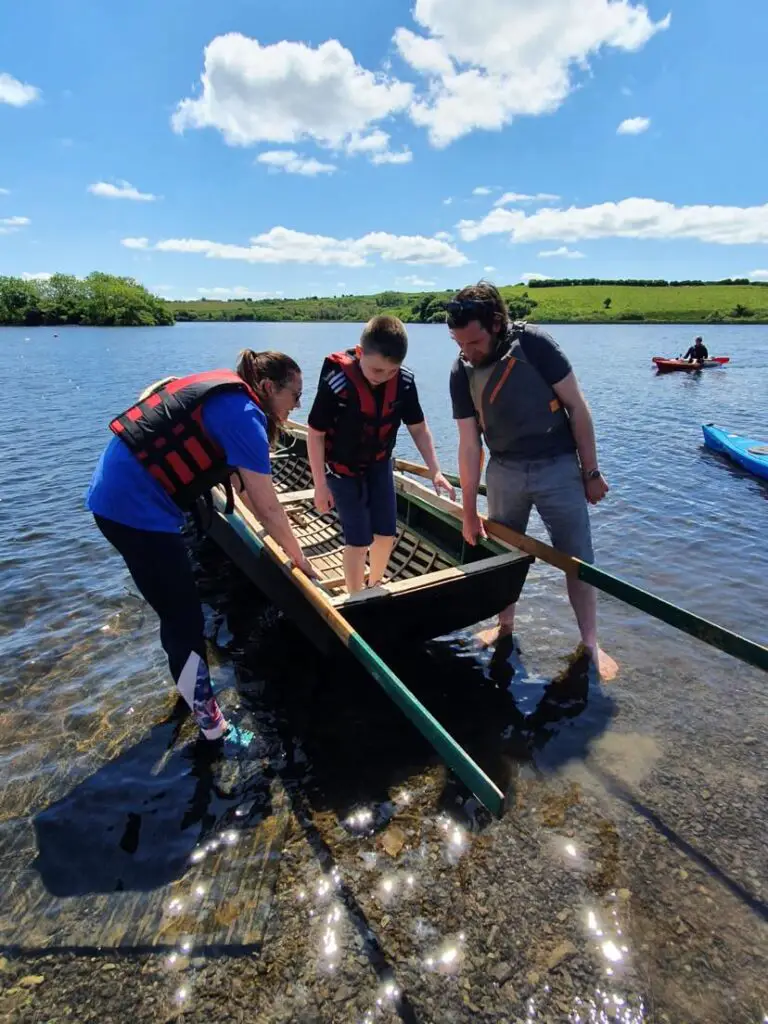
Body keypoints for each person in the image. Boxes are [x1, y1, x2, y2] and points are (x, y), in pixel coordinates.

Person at [86, 350, 316, 751]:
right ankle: (214, 729)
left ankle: (189, 694)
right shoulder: (245, 415)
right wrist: (298, 557)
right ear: (267, 387)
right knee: (185, 620)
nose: (296, 405)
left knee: (177, 613)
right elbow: (265, 504)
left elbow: (245, 487)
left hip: (116, 496)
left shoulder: (227, 392)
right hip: (134, 512)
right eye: (293, 395)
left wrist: (278, 529)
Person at [447, 282, 618, 680]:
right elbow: (470, 445)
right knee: (505, 556)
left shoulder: (536, 345)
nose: (467, 352)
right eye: (459, 343)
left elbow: (577, 407)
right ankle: (505, 626)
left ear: (495, 323)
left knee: (576, 558)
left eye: (474, 341)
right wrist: (469, 512)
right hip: (505, 470)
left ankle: (591, 643)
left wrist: (590, 472)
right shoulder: (461, 370)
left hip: (557, 465)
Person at [307, 315, 455, 593]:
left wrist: (435, 469)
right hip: (341, 470)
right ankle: (355, 596)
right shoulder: (337, 382)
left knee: (386, 534)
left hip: (378, 464)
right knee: (359, 540)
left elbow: (419, 429)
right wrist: (320, 485)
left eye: (391, 371)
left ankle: (374, 584)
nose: (383, 377)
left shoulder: (403, 383)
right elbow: (315, 434)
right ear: (360, 353)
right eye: (376, 370)